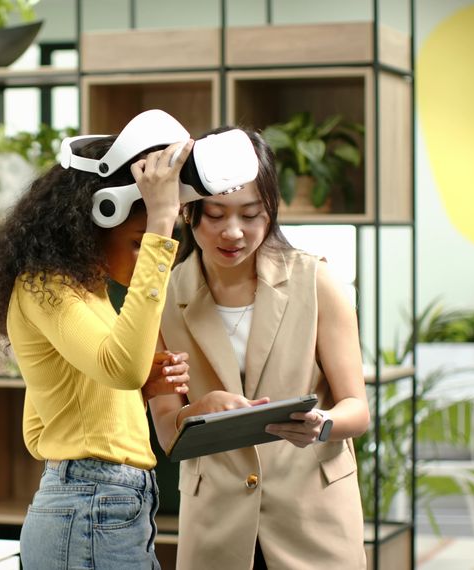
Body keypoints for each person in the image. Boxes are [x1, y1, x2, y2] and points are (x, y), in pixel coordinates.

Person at [147, 127, 370, 569]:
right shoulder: (162, 298)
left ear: (271, 214)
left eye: (251, 215)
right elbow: (169, 433)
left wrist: (322, 424)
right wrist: (203, 407)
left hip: (313, 519)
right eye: (217, 215)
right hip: (218, 526)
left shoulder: (315, 281)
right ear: (189, 212)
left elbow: (357, 409)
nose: (234, 232)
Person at [0, 132, 193, 569]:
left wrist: (136, 388)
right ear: (96, 219)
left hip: (101, 507)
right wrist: (161, 221)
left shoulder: (84, 293)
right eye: (136, 241)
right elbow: (121, 368)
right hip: (92, 505)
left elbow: (52, 409)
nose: (144, 252)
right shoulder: (45, 286)